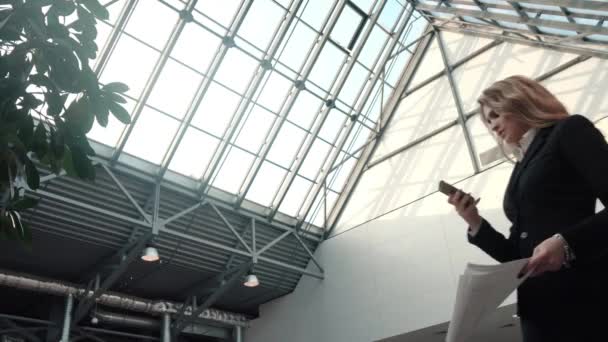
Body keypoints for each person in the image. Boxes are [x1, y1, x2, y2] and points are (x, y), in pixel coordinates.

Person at [447, 75, 608, 342]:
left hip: (582, 294)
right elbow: (517, 255)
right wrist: (474, 221)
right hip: (537, 308)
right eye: (488, 122)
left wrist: (566, 243)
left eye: (495, 115)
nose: (493, 126)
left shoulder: (569, 130)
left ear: (519, 100)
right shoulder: (519, 168)